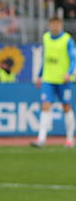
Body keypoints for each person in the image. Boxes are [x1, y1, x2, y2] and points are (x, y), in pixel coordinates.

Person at [32, 17, 76, 148]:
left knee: (66, 107)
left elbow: (73, 59)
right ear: (49, 25)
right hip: (49, 79)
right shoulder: (46, 38)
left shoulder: (67, 39)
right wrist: (40, 75)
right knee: (45, 105)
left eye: (57, 24)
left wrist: (69, 73)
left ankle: (69, 139)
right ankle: (41, 138)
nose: (55, 27)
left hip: (63, 80)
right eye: (53, 24)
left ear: (61, 25)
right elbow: (45, 58)